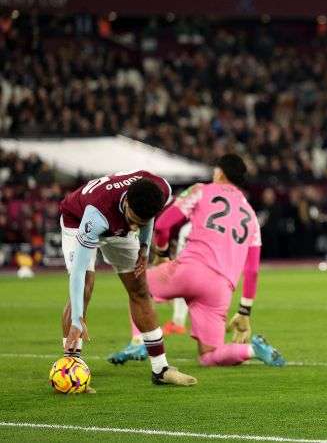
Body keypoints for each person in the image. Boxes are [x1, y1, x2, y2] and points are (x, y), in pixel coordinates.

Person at [108, 155, 285, 367]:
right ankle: (252, 349)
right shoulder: (251, 215)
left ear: (219, 173)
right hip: (220, 288)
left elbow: (163, 225)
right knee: (209, 356)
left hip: (191, 269)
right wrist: (244, 310)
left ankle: (139, 341)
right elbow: (253, 269)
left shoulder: (201, 190)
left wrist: (162, 254)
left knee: (138, 285)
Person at [59, 170, 197, 388]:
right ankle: (71, 370)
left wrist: (143, 247)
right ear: (127, 203)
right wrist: (77, 319)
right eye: (133, 220)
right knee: (85, 285)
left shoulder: (161, 189)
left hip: (117, 224)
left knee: (140, 288)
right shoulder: (96, 215)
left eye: (140, 224)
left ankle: (160, 369)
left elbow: (144, 219)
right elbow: (77, 272)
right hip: (78, 221)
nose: (135, 227)